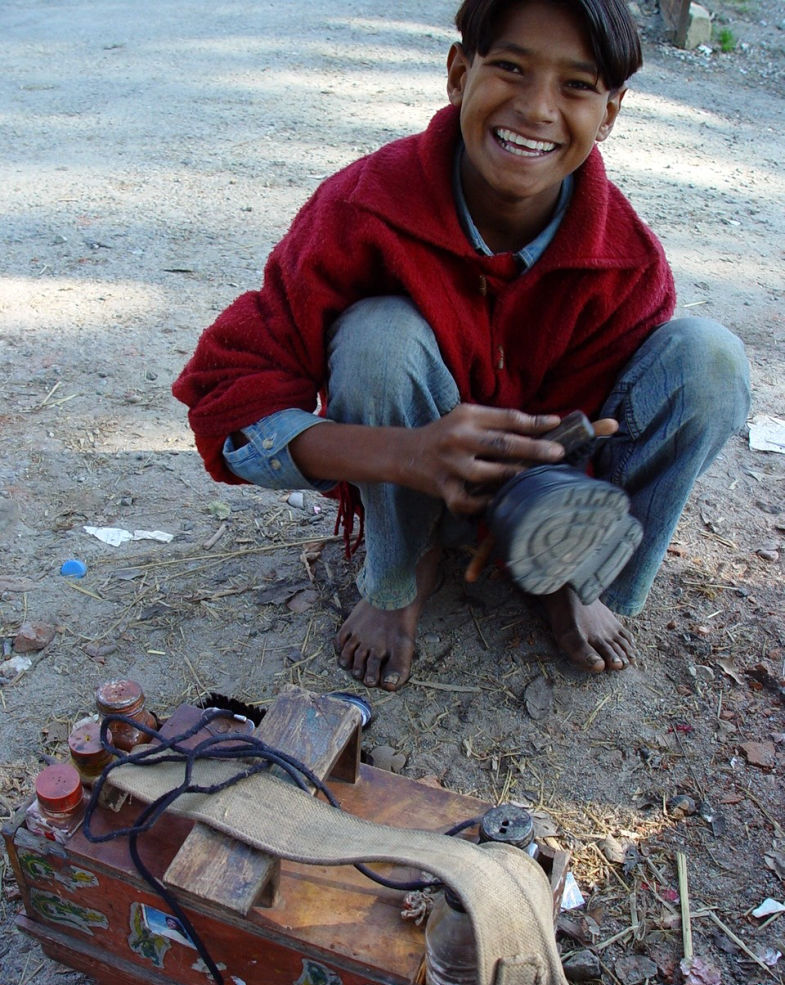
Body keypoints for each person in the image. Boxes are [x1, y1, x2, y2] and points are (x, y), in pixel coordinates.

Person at [173, 0, 749, 692]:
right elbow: (227, 406)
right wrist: (406, 455)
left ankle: (573, 578)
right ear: (457, 73)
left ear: (610, 114)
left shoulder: (625, 262)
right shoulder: (363, 210)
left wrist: (550, 510)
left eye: (575, 85)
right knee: (379, 336)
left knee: (709, 361)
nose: (536, 108)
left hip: (542, 503)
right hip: (404, 479)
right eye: (509, 67)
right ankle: (400, 569)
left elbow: (607, 430)